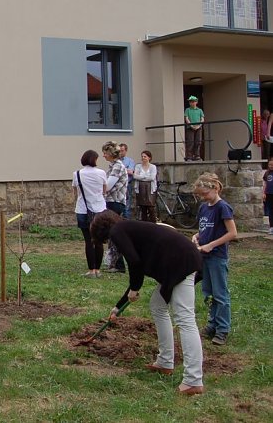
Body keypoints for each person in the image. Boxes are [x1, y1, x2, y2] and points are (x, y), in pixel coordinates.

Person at [89, 212, 205, 396]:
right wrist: (118, 307)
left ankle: (193, 380)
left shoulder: (118, 231)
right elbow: (138, 265)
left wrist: (135, 288)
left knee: (185, 319)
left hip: (182, 262)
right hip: (176, 263)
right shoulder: (129, 228)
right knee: (158, 306)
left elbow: (134, 262)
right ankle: (165, 362)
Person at [192, 172, 238, 346]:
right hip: (204, 257)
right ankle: (212, 325)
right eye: (200, 195)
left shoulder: (222, 207)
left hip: (217, 257)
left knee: (220, 294)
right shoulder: (204, 207)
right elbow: (203, 229)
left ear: (215, 188)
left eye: (205, 194)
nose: (203, 198)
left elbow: (232, 233)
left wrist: (211, 244)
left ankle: (222, 329)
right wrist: (197, 237)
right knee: (208, 293)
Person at [72, 149, 107, 278]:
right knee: (98, 240)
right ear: (95, 160)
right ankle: (98, 269)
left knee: (88, 240)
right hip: (99, 209)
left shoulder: (77, 174)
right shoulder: (101, 173)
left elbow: (75, 193)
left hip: (82, 209)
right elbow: (104, 190)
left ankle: (91, 270)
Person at [102, 141, 128, 274]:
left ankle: (119, 264)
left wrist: (100, 189)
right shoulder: (113, 166)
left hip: (115, 202)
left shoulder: (117, 166)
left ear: (111, 154)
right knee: (112, 233)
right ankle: (114, 263)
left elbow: (108, 185)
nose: (103, 155)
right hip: (112, 201)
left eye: (105, 153)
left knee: (114, 233)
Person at [134, 150, 158, 223]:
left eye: (145, 156)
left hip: (150, 188)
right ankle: (144, 224)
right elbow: (135, 176)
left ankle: (153, 224)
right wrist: (145, 177)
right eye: (142, 156)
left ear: (149, 158)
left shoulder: (153, 167)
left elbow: (152, 177)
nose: (143, 158)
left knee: (151, 207)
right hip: (140, 189)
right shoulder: (138, 166)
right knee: (142, 207)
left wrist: (141, 177)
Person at [184, 96, 204, 161]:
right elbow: (186, 118)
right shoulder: (187, 110)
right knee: (190, 142)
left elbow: (202, 119)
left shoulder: (199, 110)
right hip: (190, 127)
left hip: (198, 127)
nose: (192, 103)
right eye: (190, 102)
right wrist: (191, 125)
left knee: (198, 141)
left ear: (196, 102)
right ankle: (189, 157)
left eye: (193, 101)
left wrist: (199, 125)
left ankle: (197, 156)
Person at [119, 143, 135, 219]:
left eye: (122, 151)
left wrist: (121, 169)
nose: (120, 152)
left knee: (127, 203)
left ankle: (127, 220)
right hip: (118, 185)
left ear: (126, 151)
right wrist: (125, 169)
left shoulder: (130, 161)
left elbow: (131, 172)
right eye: (119, 151)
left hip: (127, 184)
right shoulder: (116, 161)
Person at [263, 158, 273, 235]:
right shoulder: (267, 173)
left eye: (272, 165)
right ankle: (271, 227)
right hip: (269, 194)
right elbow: (265, 184)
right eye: (269, 164)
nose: (271, 166)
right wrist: (264, 193)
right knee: (270, 211)